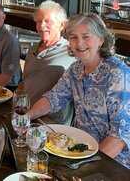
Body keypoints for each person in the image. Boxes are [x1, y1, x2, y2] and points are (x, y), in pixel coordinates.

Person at [28, 14, 130, 169]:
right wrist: (26, 116)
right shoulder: (75, 69)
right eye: (74, 37)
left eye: (86, 36)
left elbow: (120, 136)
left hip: (112, 163)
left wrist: (86, 166)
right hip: (78, 149)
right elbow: (54, 98)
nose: (79, 43)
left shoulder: (118, 74)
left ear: (101, 39)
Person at [21, 0, 75, 123]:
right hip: (28, 114)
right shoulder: (33, 49)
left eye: (47, 21)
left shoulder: (71, 52)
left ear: (62, 25)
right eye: (38, 21)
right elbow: (26, 82)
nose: (41, 26)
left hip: (52, 122)